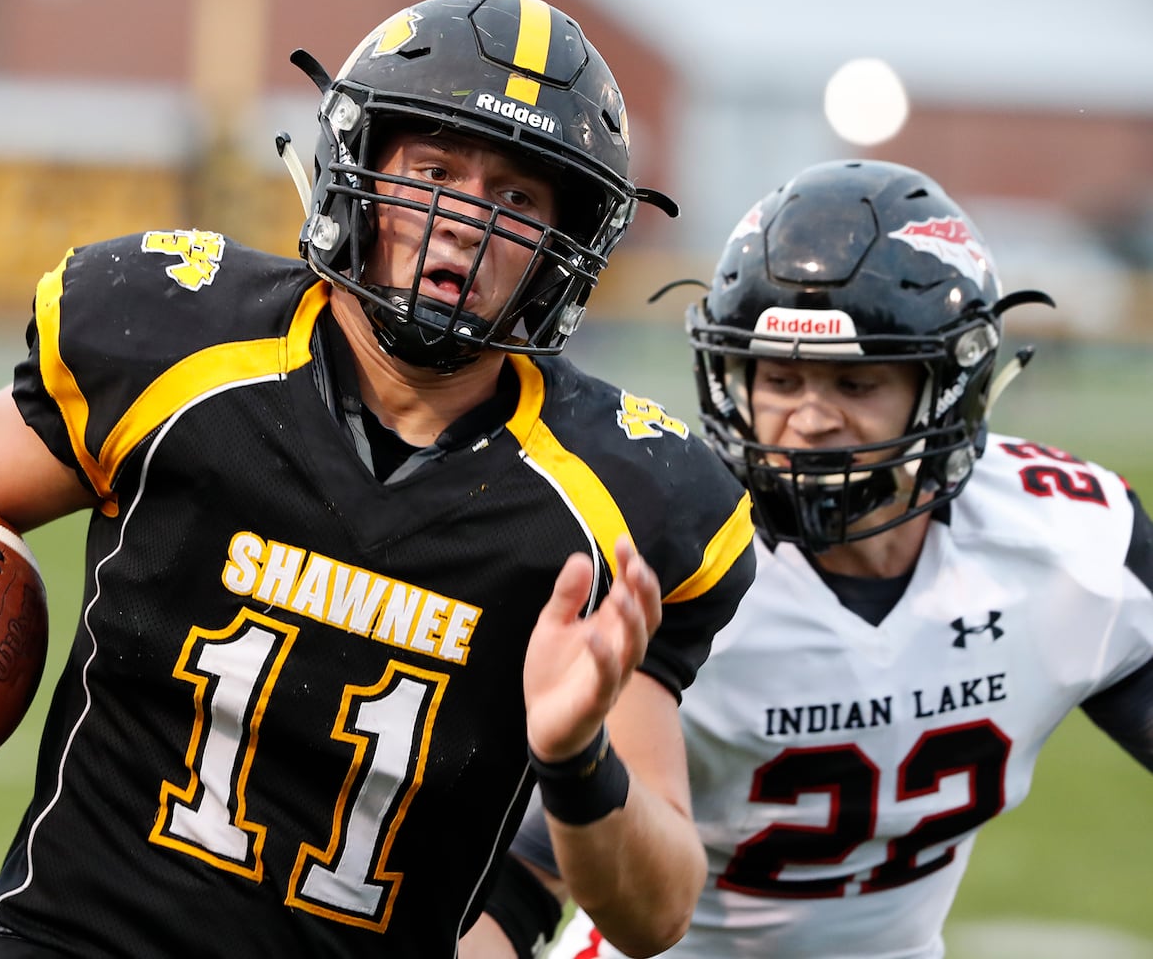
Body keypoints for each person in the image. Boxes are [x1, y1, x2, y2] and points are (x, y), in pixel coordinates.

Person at [0, 0, 756, 959]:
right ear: (358, 164)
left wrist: (580, 758)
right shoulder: (178, 345)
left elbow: (654, 911)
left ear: (566, 244)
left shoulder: (619, 500)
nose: (464, 220)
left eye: (514, 197)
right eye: (434, 169)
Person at [466, 158, 1153, 958]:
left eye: (855, 384)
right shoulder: (674, 554)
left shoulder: (1065, 537)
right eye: (781, 378)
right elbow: (519, 880)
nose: (807, 421)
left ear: (946, 386)